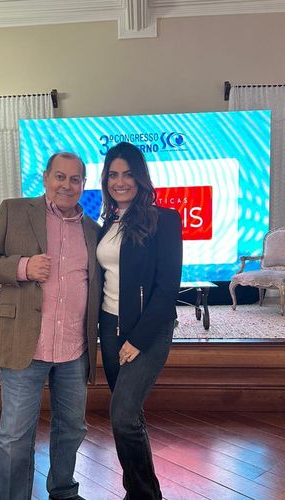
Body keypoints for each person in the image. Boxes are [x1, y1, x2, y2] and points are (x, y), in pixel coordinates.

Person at [0, 152, 100, 500]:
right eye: (60, 176)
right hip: (25, 345)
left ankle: (63, 491)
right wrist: (23, 267)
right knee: (15, 436)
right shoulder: (14, 210)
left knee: (72, 429)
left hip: (74, 348)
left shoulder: (93, 230)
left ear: (83, 184)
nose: (67, 185)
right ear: (45, 178)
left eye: (75, 179)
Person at [96, 142, 183, 500]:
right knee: (129, 416)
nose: (120, 181)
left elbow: (168, 287)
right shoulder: (106, 223)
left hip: (147, 332)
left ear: (140, 177)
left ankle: (146, 495)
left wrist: (138, 339)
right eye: (113, 174)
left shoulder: (165, 220)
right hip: (109, 329)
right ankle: (139, 492)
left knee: (122, 415)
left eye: (128, 174)